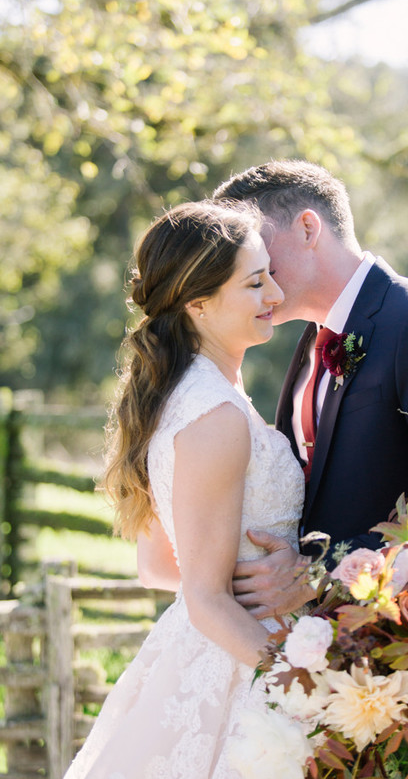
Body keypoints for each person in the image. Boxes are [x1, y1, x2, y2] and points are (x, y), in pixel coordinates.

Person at [62, 200, 306, 779]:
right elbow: (203, 597)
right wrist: (303, 686)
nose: (276, 294)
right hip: (243, 665)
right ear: (198, 304)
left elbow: (158, 566)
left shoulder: (182, 395)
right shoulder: (214, 415)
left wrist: (258, 577)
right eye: (255, 283)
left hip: (218, 649)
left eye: (270, 273)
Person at [211, 160, 408, 619]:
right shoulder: (311, 340)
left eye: (255, 249)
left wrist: (316, 576)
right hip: (333, 652)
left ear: (308, 228)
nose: (246, 271)